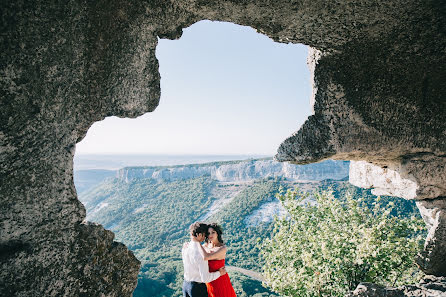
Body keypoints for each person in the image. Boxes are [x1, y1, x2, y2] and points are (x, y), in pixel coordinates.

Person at [182, 222, 227, 297]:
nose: (206, 236)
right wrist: (220, 273)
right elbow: (205, 278)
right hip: (197, 288)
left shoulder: (185, 247)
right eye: (205, 234)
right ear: (199, 235)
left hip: (186, 285)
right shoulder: (201, 253)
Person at [197, 223, 237, 297]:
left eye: (213, 232)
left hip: (220, 280)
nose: (210, 235)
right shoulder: (206, 246)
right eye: (208, 233)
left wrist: (197, 243)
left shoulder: (222, 248)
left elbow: (206, 257)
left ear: (217, 233)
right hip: (209, 280)